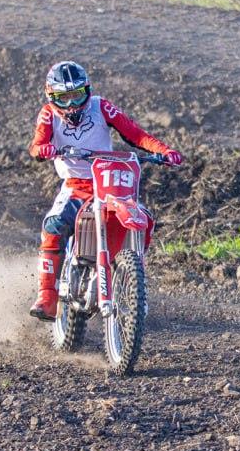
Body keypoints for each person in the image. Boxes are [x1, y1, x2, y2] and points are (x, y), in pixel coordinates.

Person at [28, 61, 183, 321]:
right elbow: (36, 145)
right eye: (64, 98)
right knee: (54, 225)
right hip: (77, 186)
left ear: (87, 91)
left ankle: (134, 282)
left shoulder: (100, 106)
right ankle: (47, 295)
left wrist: (163, 151)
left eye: (77, 96)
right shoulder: (48, 115)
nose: (72, 105)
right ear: (52, 97)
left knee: (142, 219)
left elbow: (134, 133)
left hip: (110, 181)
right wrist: (42, 149)